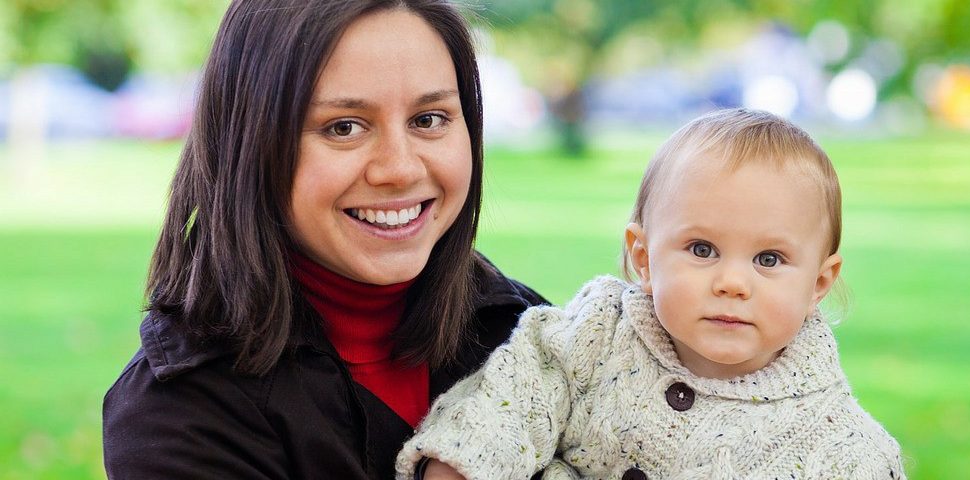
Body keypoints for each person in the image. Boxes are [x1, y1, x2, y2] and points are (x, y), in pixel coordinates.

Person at [102, 1, 545, 478]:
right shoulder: (180, 417)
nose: (399, 169)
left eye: (428, 119)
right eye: (343, 127)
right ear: (249, 144)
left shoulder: (529, 337)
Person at [398, 109, 905, 479]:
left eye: (768, 259)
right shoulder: (596, 336)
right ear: (643, 258)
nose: (732, 283)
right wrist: (465, 463)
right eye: (702, 249)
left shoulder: (845, 452)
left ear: (818, 283)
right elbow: (514, 398)